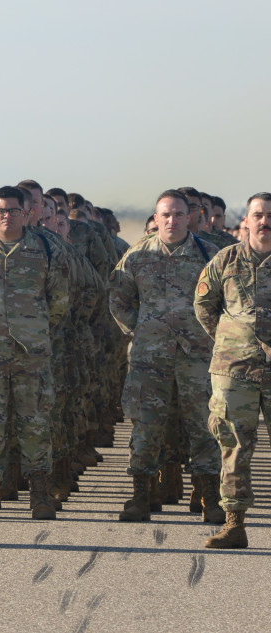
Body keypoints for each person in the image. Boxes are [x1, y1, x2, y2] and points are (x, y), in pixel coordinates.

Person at [0, 187, 68, 520]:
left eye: (13, 211)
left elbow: (59, 299)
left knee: (34, 422)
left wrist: (39, 330)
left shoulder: (45, 248)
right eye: (0, 210)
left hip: (31, 355)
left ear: (26, 213)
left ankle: (40, 492)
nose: (7, 216)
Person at [109, 190, 221, 523]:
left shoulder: (209, 256)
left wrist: (208, 335)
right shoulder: (136, 256)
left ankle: (210, 498)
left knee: (204, 426)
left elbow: (223, 303)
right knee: (145, 427)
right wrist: (141, 330)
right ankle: (141, 496)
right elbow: (118, 299)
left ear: (191, 217)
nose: (171, 221)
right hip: (149, 359)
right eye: (165, 215)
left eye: (178, 214)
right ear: (156, 219)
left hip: (196, 358)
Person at [193, 192, 271, 549]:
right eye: (258, 215)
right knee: (234, 446)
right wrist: (230, 339)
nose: (265, 222)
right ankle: (234, 524)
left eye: (270, 216)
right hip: (234, 369)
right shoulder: (225, 259)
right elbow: (204, 305)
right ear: (247, 220)